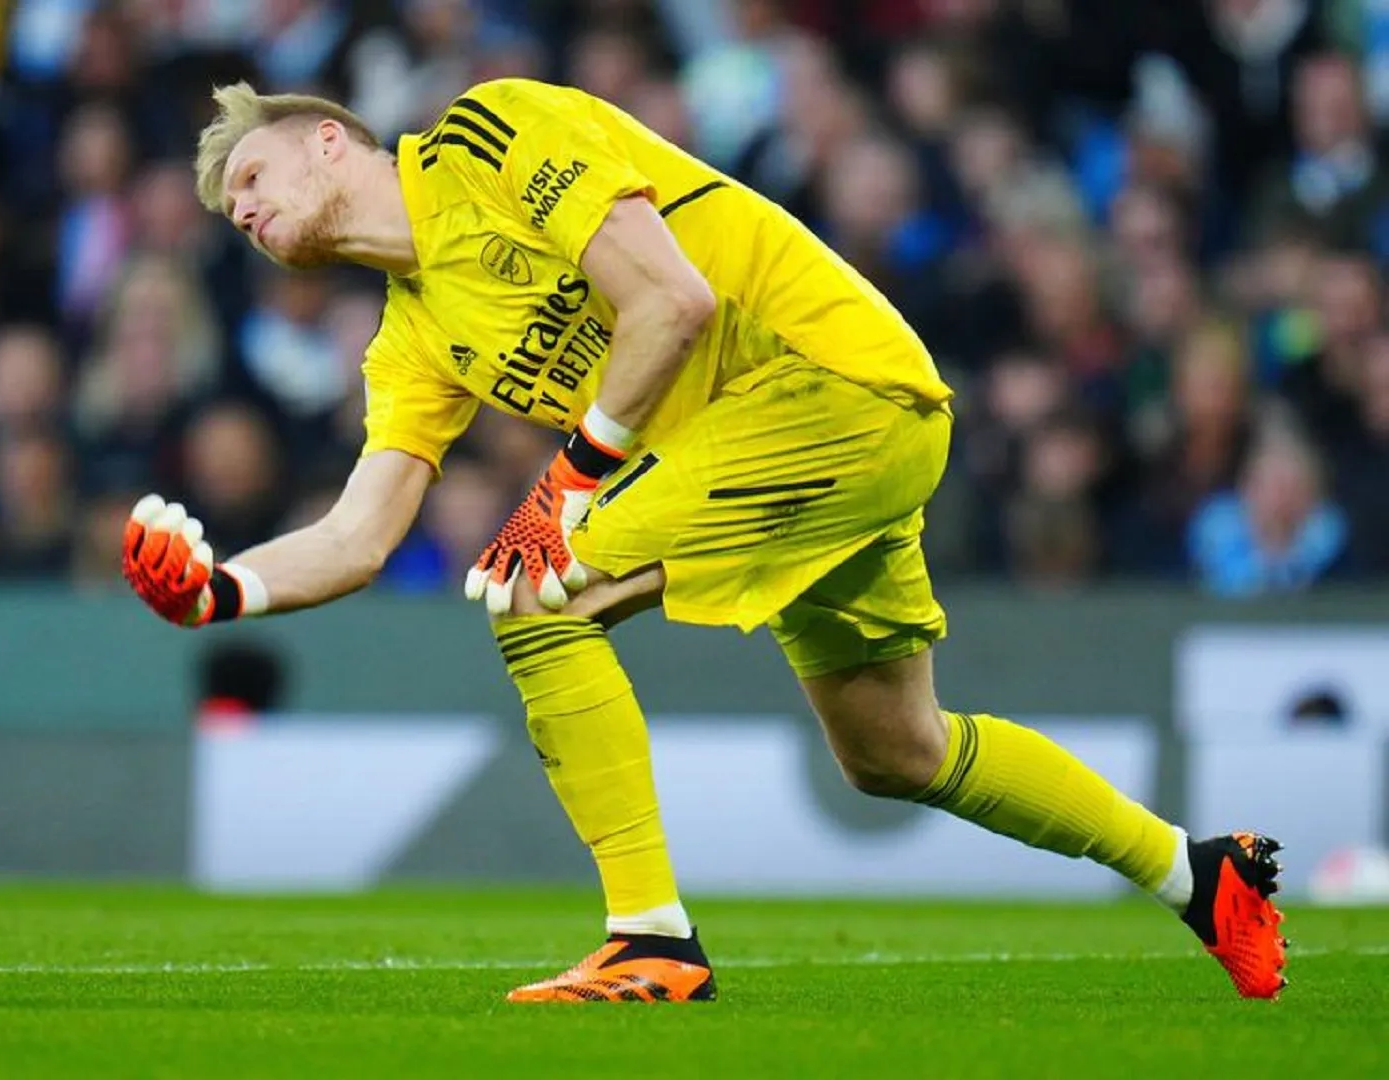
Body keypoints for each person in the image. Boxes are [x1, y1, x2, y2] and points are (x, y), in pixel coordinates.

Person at [121, 78, 1289, 1003]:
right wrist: (219, 593)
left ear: (332, 141)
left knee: (540, 594)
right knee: (896, 751)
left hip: (827, 388)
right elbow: (358, 535)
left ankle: (650, 941)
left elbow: (669, 302)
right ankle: (1199, 876)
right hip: (780, 458)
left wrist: (568, 484)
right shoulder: (412, 336)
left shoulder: (488, 135)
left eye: (257, 176)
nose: (249, 212)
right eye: (236, 214)